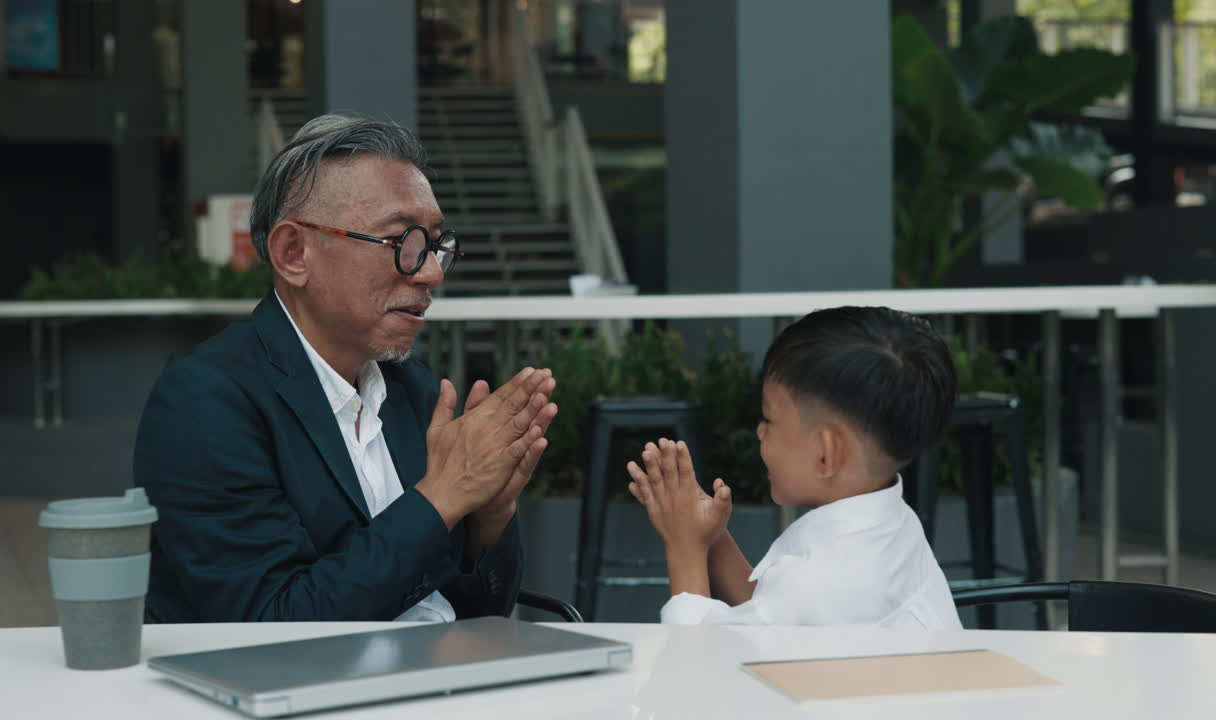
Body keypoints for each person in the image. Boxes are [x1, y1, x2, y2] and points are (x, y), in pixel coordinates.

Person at [134, 115, 557, 622]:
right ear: (294, 253)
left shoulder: (412, 390)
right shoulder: (205, 402)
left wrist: (489, 514)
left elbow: (480, 614)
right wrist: (442, 497)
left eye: (434, 245)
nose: (430, 273)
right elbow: (271, 625)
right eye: (403, 242)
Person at [627, 306, 962, 628]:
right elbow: (767, 621)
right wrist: (712, 539)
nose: (760, 431)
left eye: (769, 420)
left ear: (825, 454)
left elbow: (696, 658)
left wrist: (684, 548)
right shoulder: (896, 527)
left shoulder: (814, 586)